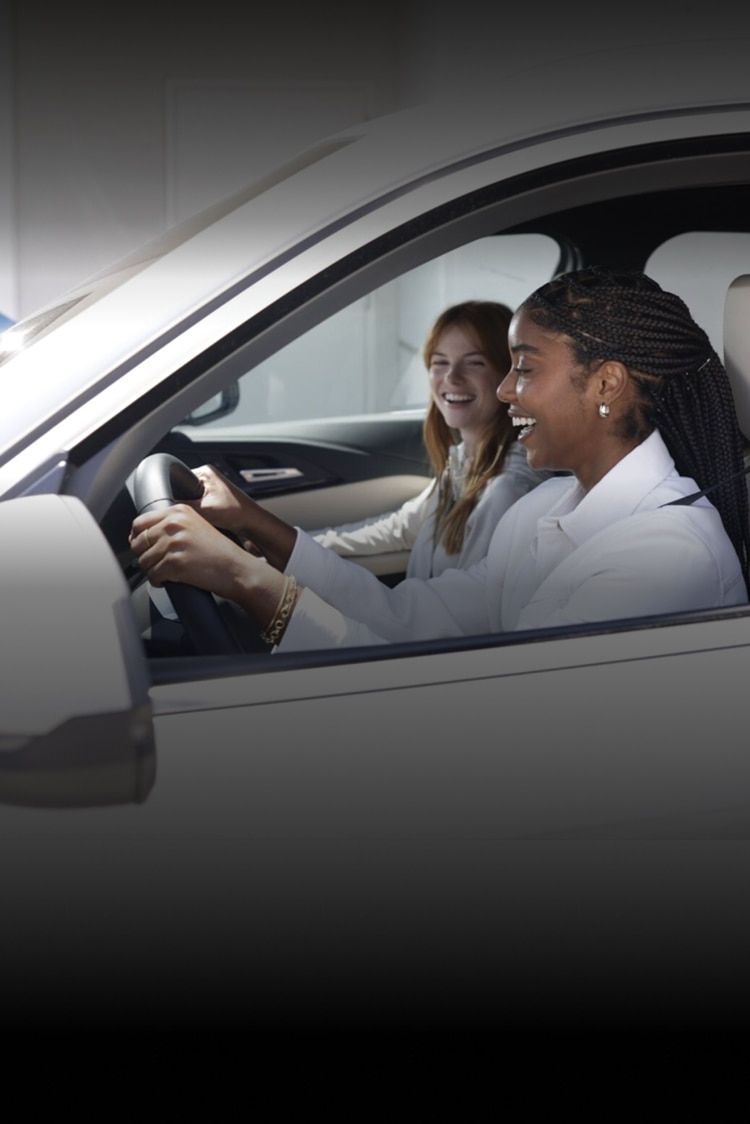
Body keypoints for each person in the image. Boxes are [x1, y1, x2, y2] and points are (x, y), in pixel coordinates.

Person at [130, 267, 750, 652]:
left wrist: (247, 581)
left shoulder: (665, 557)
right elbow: (407, 615)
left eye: (524, 369)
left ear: (606, 384)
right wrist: (254, 526)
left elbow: (480, 728)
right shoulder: (545, 507)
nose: (505, 391)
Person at [309, 301, 551, 579]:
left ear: (508, 376)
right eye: (440, 362)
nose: (452, 377)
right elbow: (401, 528)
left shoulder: (507, 489)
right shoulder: (464, 462)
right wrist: (298, 543)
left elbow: (459, 603)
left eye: (474, 362)